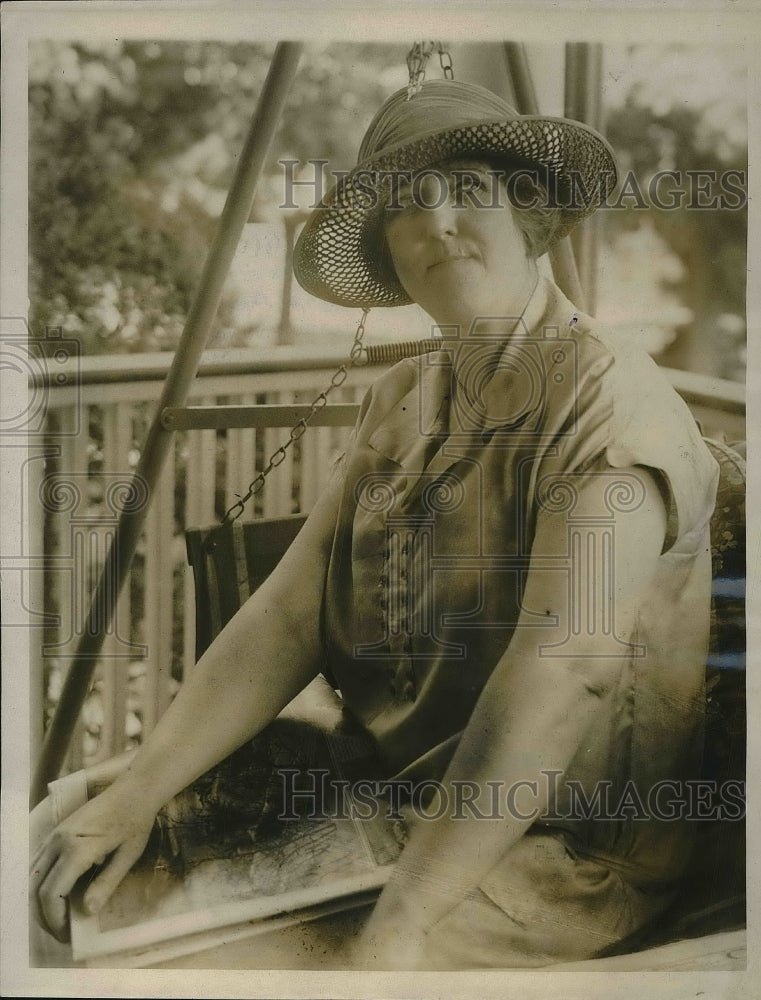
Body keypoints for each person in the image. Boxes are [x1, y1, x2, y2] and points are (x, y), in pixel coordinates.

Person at [31, 80, 719, 970]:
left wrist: (403, 920)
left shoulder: (611, 411)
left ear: (528, 218)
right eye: (406, 204)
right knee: (63, 836)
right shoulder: (407, 396)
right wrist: (136, 793)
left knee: (183, 962)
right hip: (382, 789)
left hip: (553, 846)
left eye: (469, 189)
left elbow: (570, 674)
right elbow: (289, 613)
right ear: (388, 252)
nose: (436, 221)